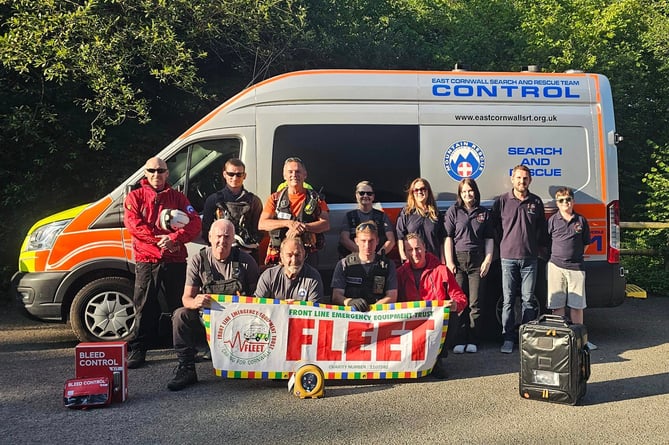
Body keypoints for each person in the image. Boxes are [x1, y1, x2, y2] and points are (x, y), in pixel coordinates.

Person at [124, 157, 201, 369]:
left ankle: (187, 350)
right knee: (144, 306)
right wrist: (161, 240)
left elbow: (194, 224)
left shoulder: (178, 197)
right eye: (152, 170)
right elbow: (134, 226)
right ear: (145, 173)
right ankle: (138, 350)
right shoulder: (134, 197)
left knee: (180, 306)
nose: (156, 175)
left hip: (175, 259)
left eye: (161, 171)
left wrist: (174, 239)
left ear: (168, 173)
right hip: (147, 259)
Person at [167, 219, 260, 391]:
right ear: (210, 237)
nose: (222, 241)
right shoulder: (198, 260)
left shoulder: (247, 261)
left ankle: (255, 363)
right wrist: (195, 302)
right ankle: (186, 368)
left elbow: (260, 299)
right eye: (218, 236)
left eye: (227, 237)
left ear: (233, 239)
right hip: (207, 320)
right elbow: (186, 299)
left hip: (239, 322)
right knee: (180, 315)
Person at [492, 165, 547, 354]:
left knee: (528, 300)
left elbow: (542, 230)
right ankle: (507, 338)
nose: (521, 181)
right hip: (507, 258)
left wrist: (539, 249)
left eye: (525, 178)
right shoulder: (502, 202)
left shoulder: (536, 202)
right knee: (508, 301)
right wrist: (503, 245)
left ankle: (527, 340)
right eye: (518, 178)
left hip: (530, 259)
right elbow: (494, 228)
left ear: (530, 180)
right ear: (512, 179)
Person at [397, 233, 468, 378]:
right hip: (412, 322)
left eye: (418, 248)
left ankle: (437, 359)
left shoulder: (441, 270)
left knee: (452, 316)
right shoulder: (400, 273)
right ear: (405, 252)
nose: (415, 253)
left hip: (434, 324)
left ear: (425, 248)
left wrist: (455, 305)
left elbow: (461, 298)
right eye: (410, 250)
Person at [444, 178, 494, 354]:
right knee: (459, 303)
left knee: (475, 303)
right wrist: (449, 262)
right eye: (464, 191)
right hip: (457, 261)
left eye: (470, 191)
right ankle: (459, 339)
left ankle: (473, 339)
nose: (467, 194)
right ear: (460, 194)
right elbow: (448, 237)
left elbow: (489, 238)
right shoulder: (453, 211)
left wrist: (487, 260)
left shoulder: (484, 213)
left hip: (477, 262)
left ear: (475, 191)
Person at [546, 187, 597, 350]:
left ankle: (579, 341)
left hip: (576, 267)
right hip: (556, 266)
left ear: (573, 201)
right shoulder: (552, 220)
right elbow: (547, 242)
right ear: (557, 203)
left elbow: (586, 244)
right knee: (557, 305)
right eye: (561, 200)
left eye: (568, 199)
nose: (565, 203)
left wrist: (574, 257)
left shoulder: (581, 221)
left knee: (577, 306)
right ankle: (560, 341)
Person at [258, 157, 330, 267]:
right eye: (290, 172)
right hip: (281, 256)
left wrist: (302, 227)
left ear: (305, 174)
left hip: (307, 255)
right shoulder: (275, 198)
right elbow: (262, 224)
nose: (294, 175)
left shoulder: (315, 199)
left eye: (298, 171)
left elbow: (325, 224)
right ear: (284, 175)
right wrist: (288, 223)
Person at [201, 158, 263, 262]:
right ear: (224, 174)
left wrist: (248, 244)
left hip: (247, 256)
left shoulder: (254, 201)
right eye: (231, 174)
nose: (235, 178)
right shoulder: (213, 200)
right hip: (221, 256)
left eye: (239, 174)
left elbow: (259, 231)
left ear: (244, 176)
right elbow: (206, 232)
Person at [331, 221, 397, 311]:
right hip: (352, 315)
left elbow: (392, 296)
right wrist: (349, 302)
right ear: (356, 241)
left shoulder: (388, 265)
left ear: (377, 241)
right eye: (363, 241)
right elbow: (336, 296)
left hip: (377, 314)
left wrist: (371, 310)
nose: (367, 245)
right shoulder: (344, 264)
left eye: (371, 241)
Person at [254, 238, 324, 302]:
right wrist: (283, 307)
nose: (294, 260)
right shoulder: (269, 276)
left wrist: (295, 307)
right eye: (289, 255)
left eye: (297, 255)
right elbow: (258, 306)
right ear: (282, 257)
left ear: (304, 254)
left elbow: (315, 310)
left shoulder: (313, 278)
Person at [338, 180, 396, 257]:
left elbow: (391, 241)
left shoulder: (382, 216)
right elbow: (344, 239)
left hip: (377, 259)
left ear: (373, 197)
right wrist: (364, 254)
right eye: (361, 193)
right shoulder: (349, 216)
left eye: (369, 193)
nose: (365, 196)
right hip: (355, 259)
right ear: (356, 195)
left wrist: (378, 256)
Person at [396, 178, 444, 262]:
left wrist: (443, 261)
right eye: (416, 190)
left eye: (423, 189)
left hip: (433, 261)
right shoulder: (406, 213)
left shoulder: (436, 214)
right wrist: (404, 258)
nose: (419, 192)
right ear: (412, 193)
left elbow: (441, 241)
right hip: (414, 261)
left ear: (428, 191)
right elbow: (400, 238)